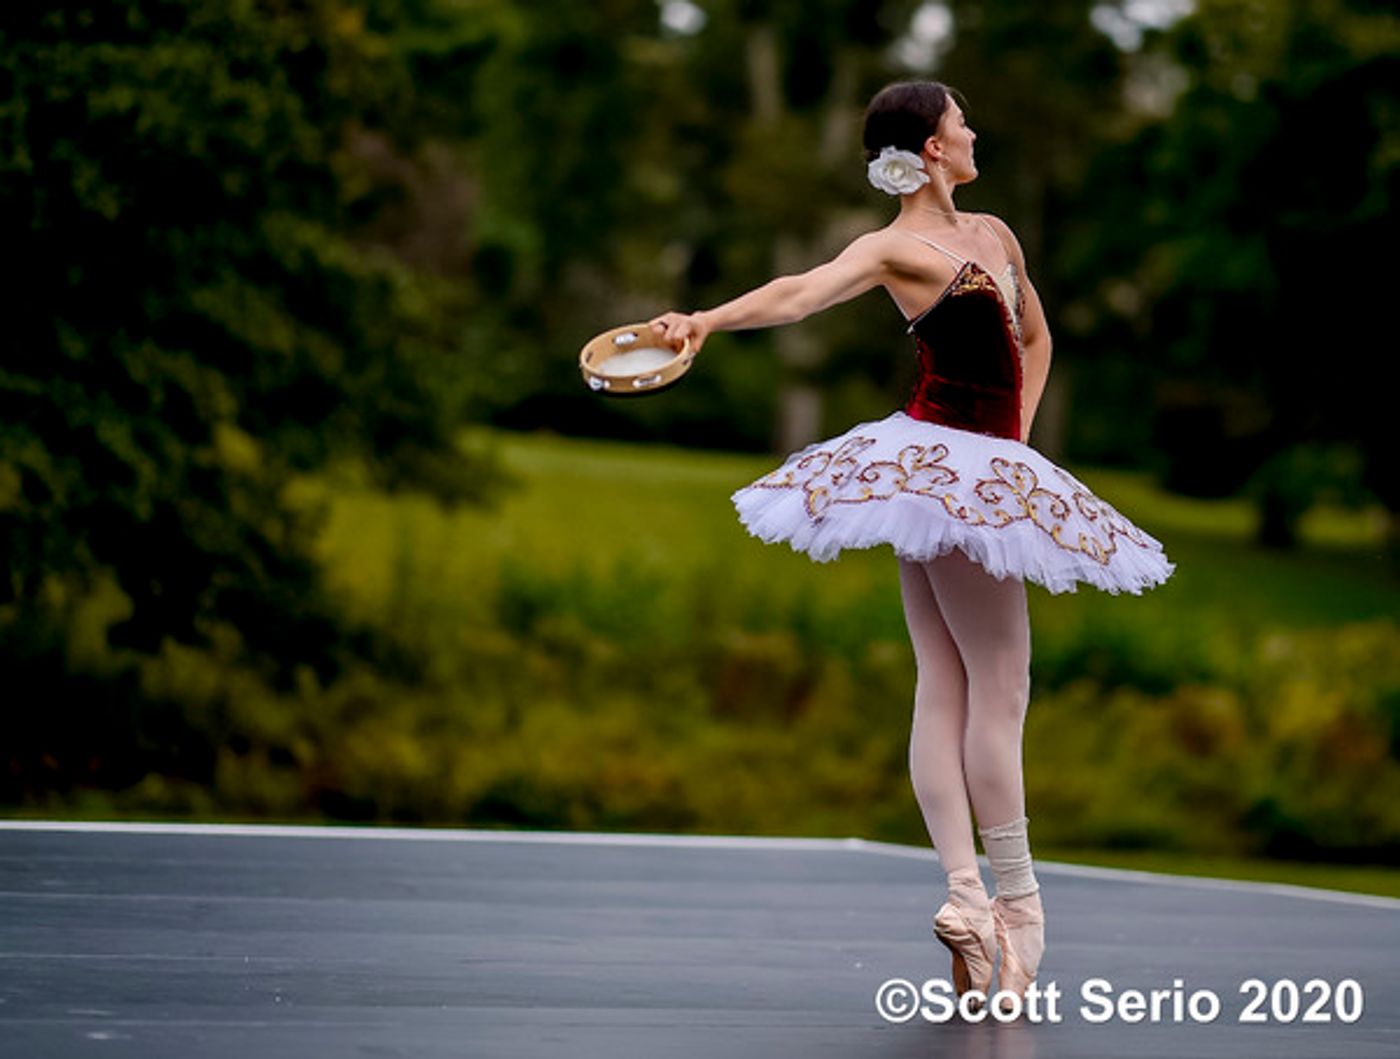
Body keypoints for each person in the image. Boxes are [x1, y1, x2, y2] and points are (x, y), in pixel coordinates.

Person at [649, 81, 1174, 1016]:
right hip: (942, 473)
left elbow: (1036, 333)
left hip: (965, 470)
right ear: (931, 148)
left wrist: (1016, 442)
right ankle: (1015, 903)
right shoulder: (893, 246)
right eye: (960, 122)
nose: (973, 131)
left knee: (947, 680)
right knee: (1000, 686)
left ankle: (967, 898)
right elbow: (799, 294)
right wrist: (706, 320)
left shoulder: (998, 237)